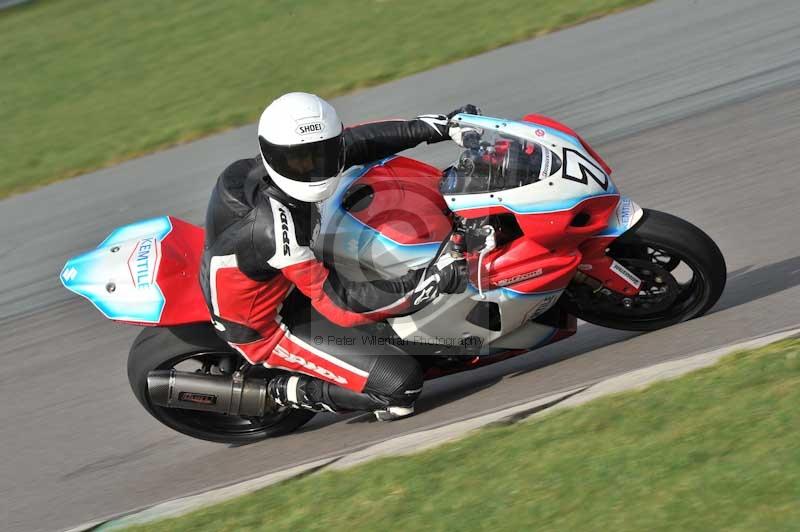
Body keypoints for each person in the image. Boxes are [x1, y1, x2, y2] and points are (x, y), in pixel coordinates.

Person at [199, 92, 477, 420]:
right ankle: (282, 391)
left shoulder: (267, 167)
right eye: (301, 161)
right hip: (271, 324)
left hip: (287, 275)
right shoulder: (274, 232)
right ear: (272, 156)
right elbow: (340, 305)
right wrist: (430, 280)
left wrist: (438, 127)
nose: (313, 168)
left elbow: (358, 142)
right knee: (400, 386)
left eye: (323, 154)